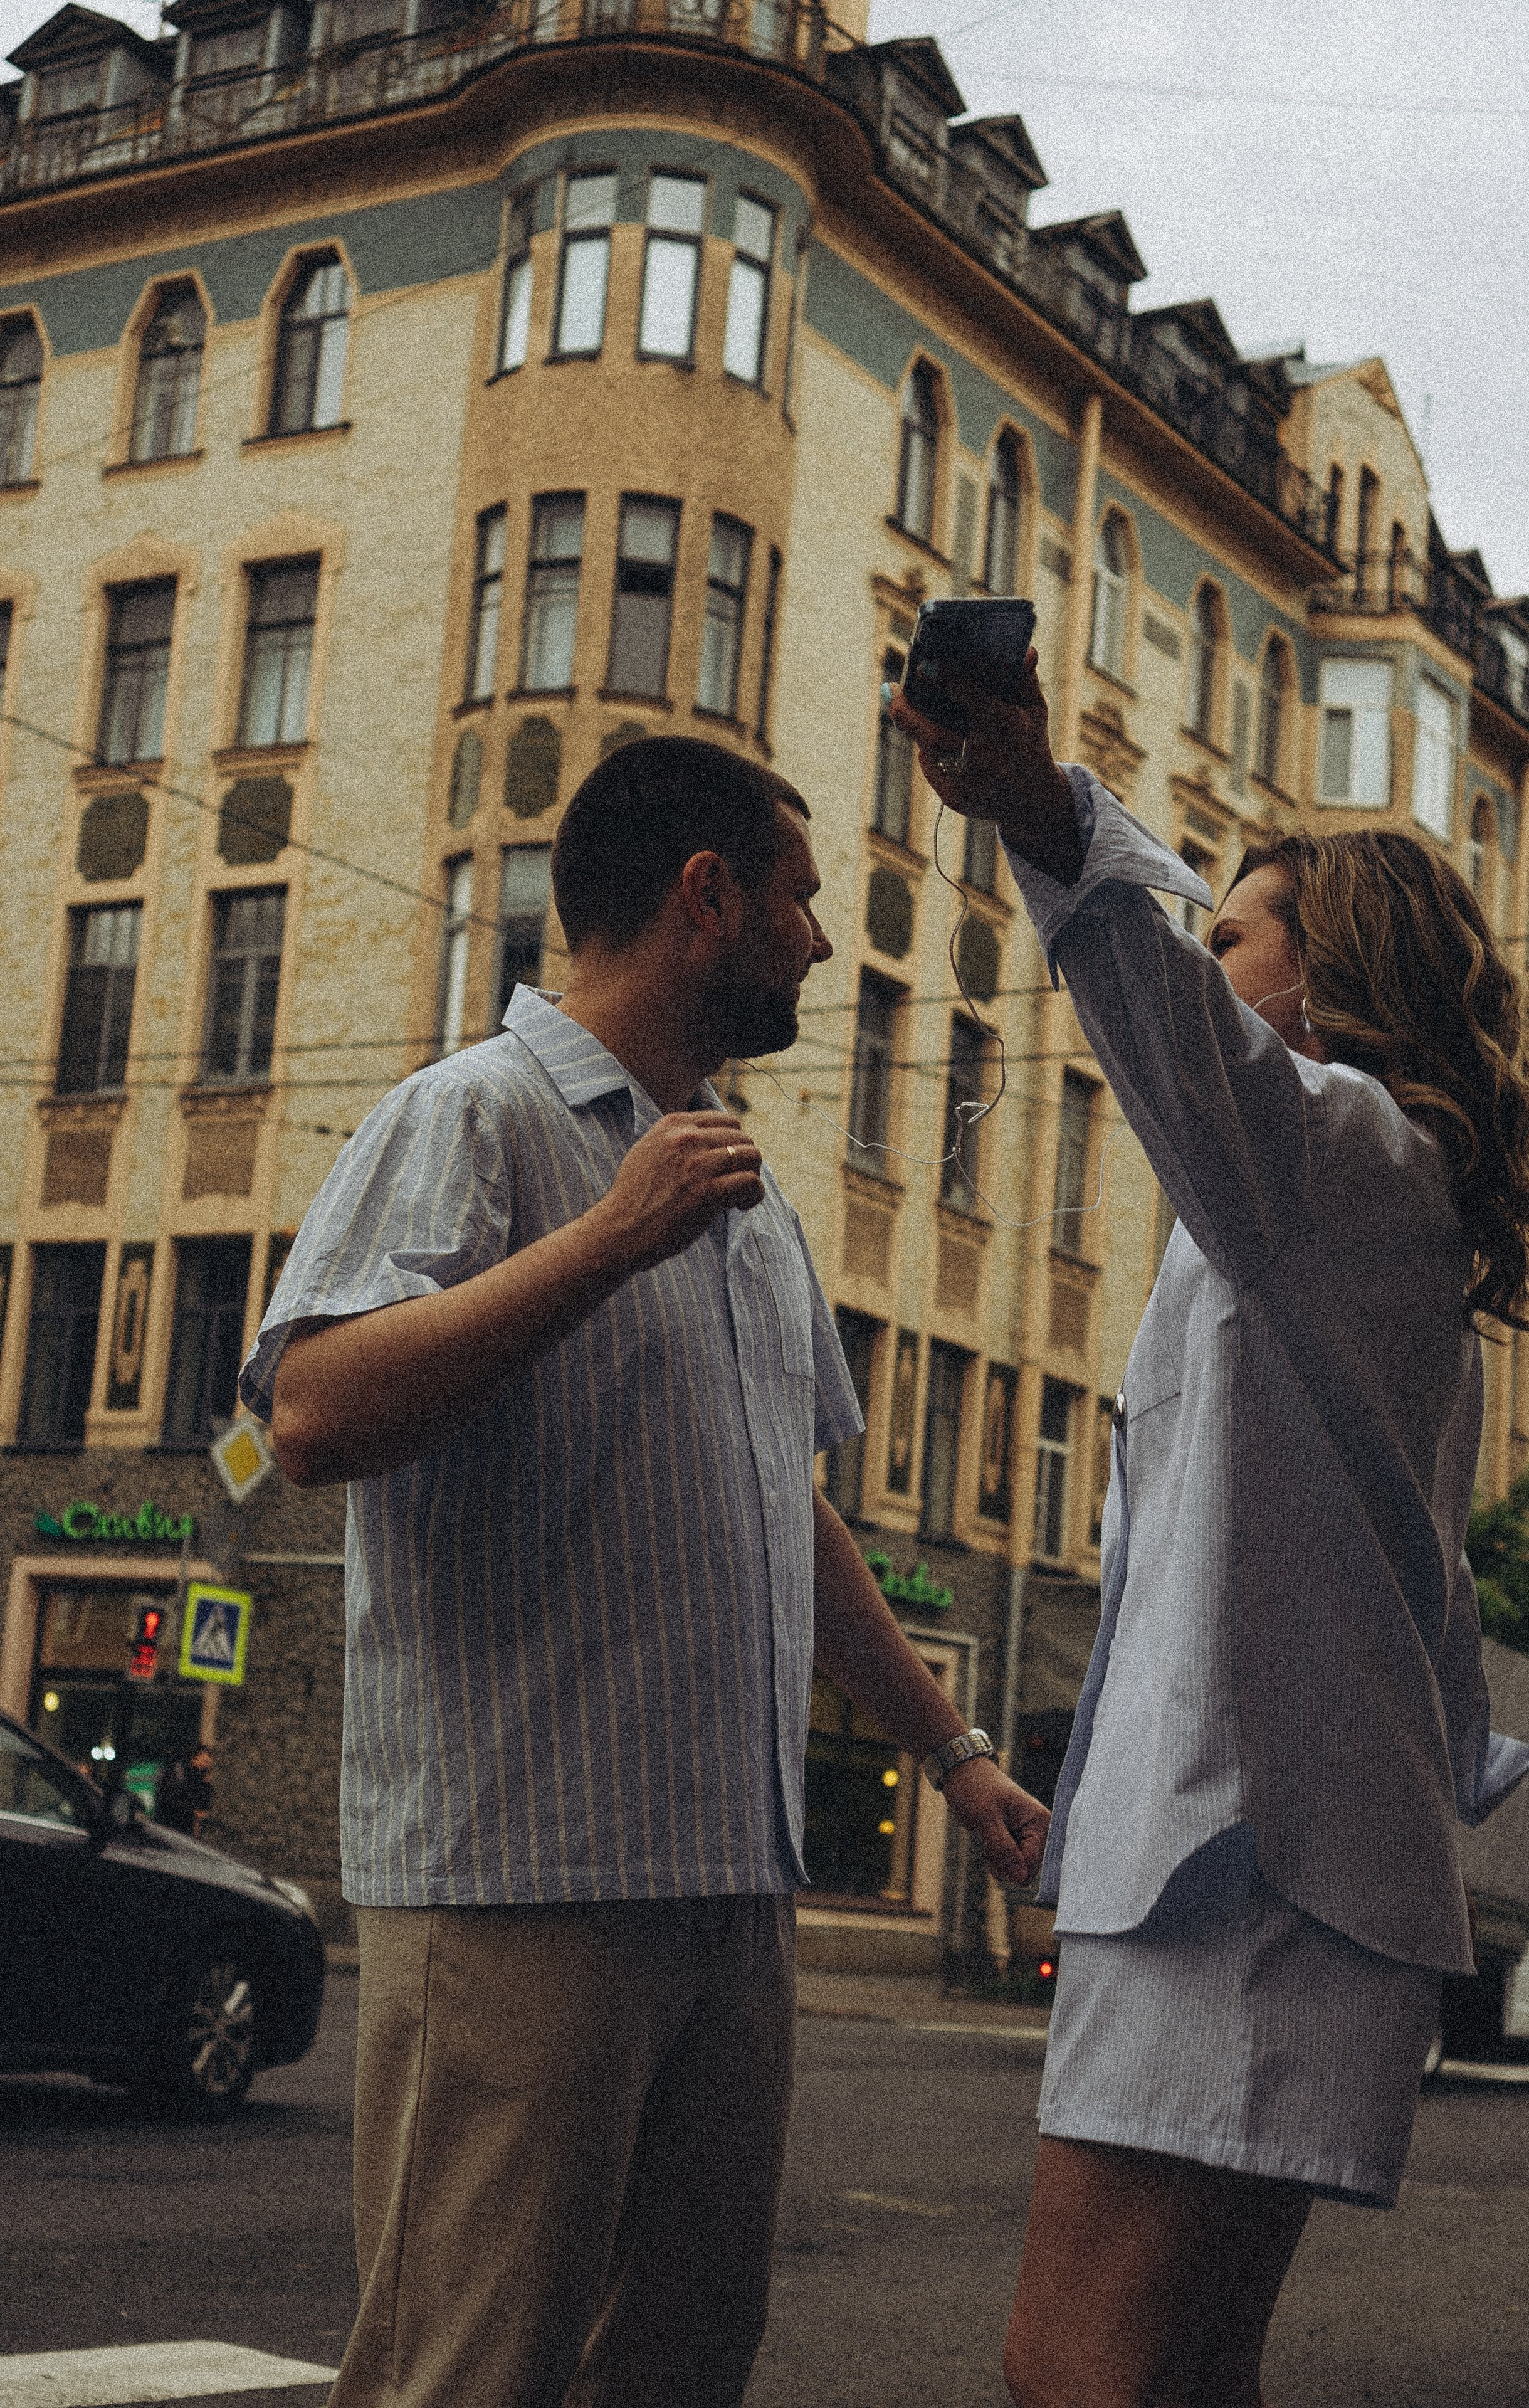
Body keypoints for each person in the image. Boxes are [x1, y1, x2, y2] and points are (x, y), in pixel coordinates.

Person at [241, 735, 1049, 2408]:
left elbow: (789, 1509)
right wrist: (605, 1240)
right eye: (802, 902)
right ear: (708, 900)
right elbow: (312, 1411)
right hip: (522, 1878)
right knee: (470, 2370)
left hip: (726, 1888)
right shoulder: (474, 1115)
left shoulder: (732, 1183)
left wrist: (953, 1757)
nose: (822, 944)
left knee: (681, 2357)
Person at [888, 661, 1529, 2408]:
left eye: (1238, 935)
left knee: (1076, 2374)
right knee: (1169, 2378)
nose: (1207, 962)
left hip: (1249, 1872)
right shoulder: (1326, 1207)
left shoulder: (1348, 1163)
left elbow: (1162, 1027)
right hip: (1252, 1859)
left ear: (1320, 991)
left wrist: (1044, 805)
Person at [154, 1743, 213, 1835]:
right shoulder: (177, 1774)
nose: (207, 1764)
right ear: (194, 1759)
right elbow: (170, 1799)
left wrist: (206, 1783)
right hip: (169, 1824)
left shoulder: (199, 1776)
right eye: (204, 1760)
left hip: (184, 1825)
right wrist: (193, 1812)